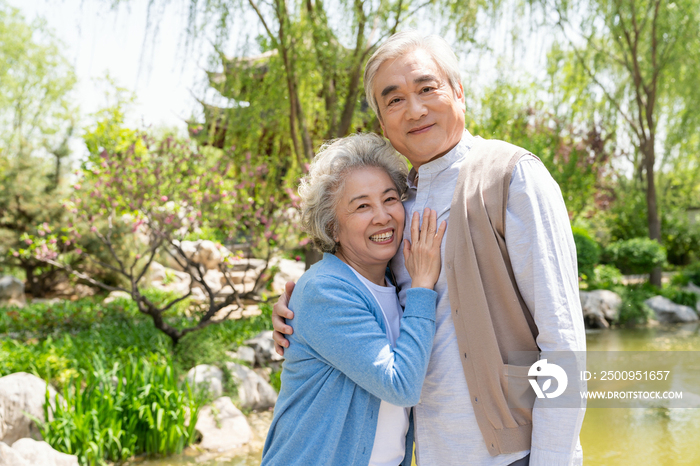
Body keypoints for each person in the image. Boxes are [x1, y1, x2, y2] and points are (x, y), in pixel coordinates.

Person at [273, 31, 587, 466]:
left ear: (458, 92)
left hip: (515, 453)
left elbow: (563, 341)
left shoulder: (510, 178)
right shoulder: (399, 204)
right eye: (395, 100)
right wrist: (297, 310)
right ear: (383, 121)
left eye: (426, 88)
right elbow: (363, 295)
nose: (415, 109)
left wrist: (551, 460)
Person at [261, 133, 447, 466]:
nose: (382, 216)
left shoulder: (392, 281)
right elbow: (401, 385)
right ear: (333, 228)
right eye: (362, 206)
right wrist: (422, 286)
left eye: (390, 199)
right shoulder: (325, 291)